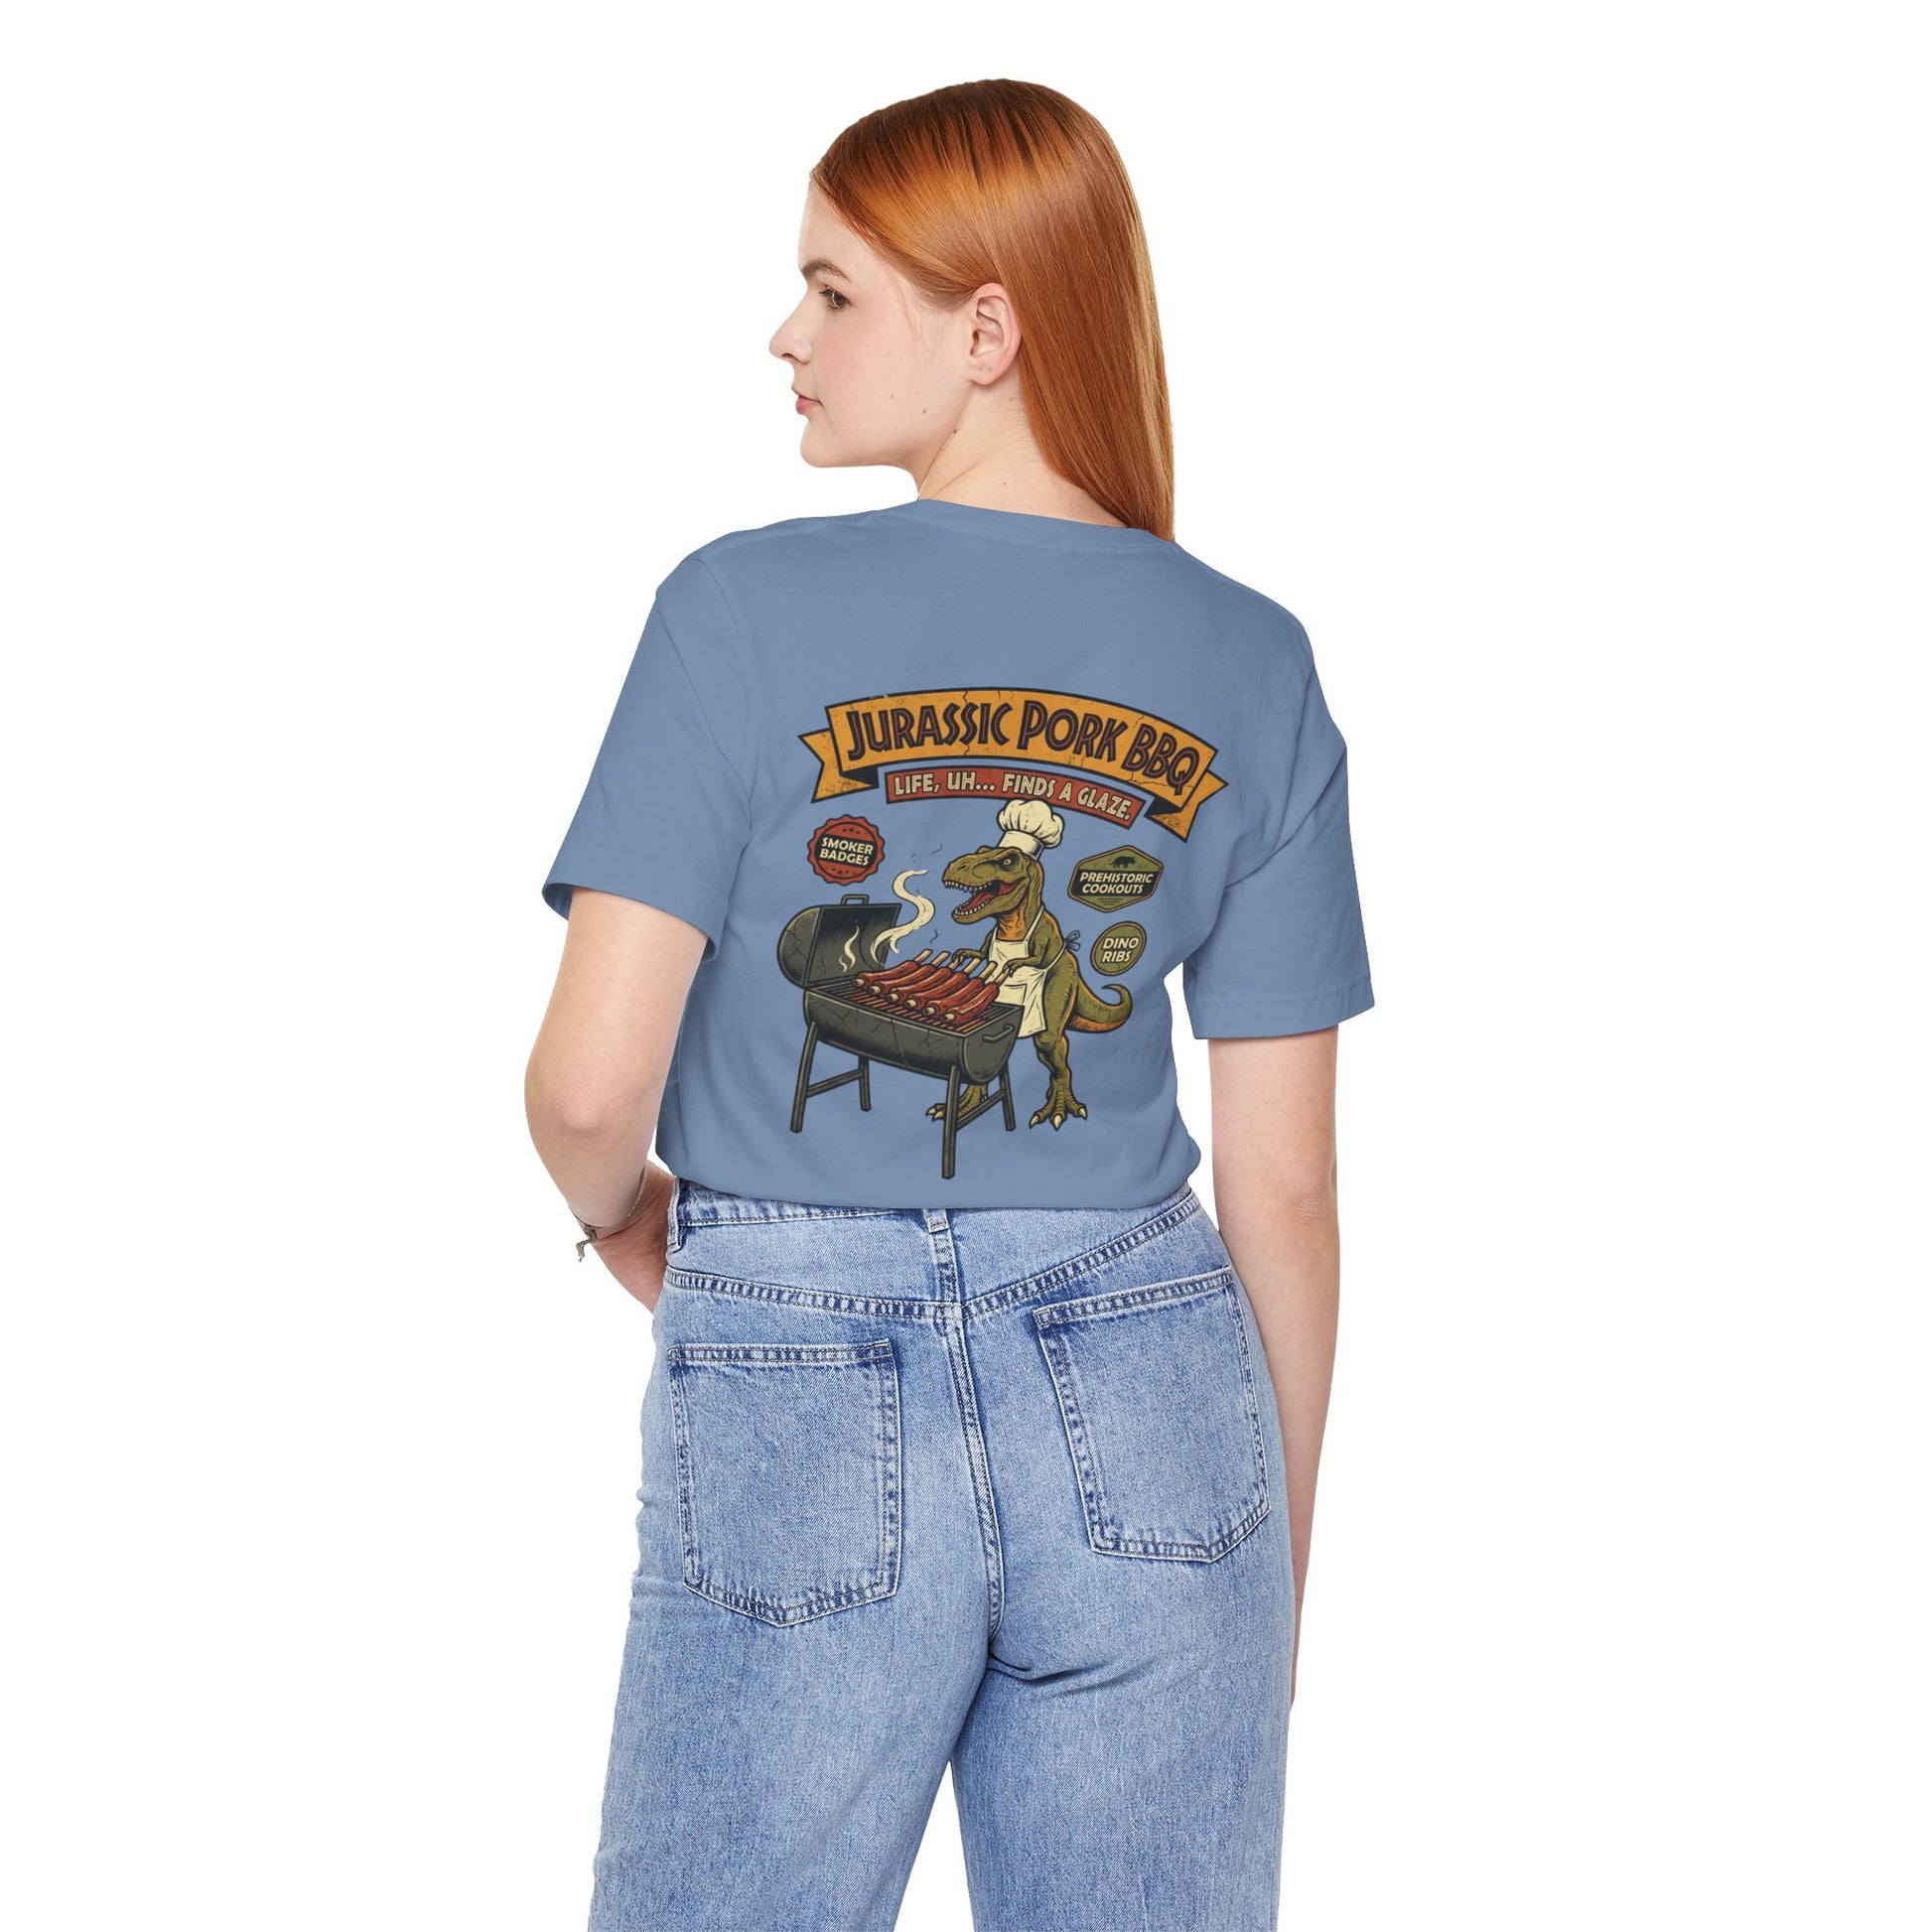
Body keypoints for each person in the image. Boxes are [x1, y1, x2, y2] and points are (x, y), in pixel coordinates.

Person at [525, 76, 1374, 1932]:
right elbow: (1287, 1191)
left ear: (986, 330)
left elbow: (588, 1089)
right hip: (1155, 1393)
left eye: (833, 291)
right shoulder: (1252, 655)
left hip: (796, 1362)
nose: (786, 334)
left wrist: (627, 1222)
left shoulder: (733, 610)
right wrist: (1270, 1568)